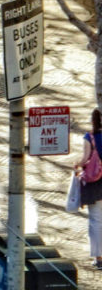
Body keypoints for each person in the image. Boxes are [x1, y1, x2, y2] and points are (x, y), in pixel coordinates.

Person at [74, 108, 102, 270]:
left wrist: (77, 165)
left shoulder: (89, 137)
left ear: (92, 121)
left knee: (96, 220)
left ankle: (99, 258)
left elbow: (85, 159)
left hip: (95, 184)